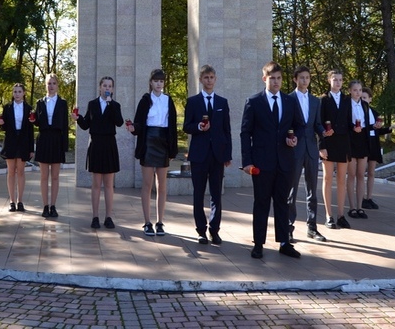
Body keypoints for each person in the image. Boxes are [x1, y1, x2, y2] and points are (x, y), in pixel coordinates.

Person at [240, 61, 304, 259]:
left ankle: (284, 242)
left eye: (279, 78)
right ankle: (258, 243)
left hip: (285, 161)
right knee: (261, 203)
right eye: (272, 78)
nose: (276, 82)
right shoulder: (254, 101)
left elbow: (300, 125)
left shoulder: (290, 101)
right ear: (264, 79)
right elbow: (245, 133)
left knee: (282, 203)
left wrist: (294, 138)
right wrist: (247, 162)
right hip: (261, 162)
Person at [183, 64, 232, 245]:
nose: (209, 81)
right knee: (198, 193)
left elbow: (227, 131)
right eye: (206, 78)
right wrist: (198, 127)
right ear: (201, 80)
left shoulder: (222, 102)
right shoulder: (193, 102)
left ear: (215, 79)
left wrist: (227, 155)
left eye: (212, 77)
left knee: (216, 194)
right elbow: (186, 126)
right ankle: (201, 231)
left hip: (217, 155)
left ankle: (215, 230)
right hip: (199, 155)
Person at [130, 68, 178, 237]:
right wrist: (133, 128)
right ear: (150, 82)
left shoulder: (168, 100)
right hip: (148, 142)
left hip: (163, 142)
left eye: (162, 81)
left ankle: (160, 222)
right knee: (147, 184)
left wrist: (173, 149)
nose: (159, 84)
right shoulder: (145, 99)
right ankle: (147, 222)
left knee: (162, 185)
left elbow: (172, 126)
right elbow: (139, 123)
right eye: (156, 81)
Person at [74, 76, 124, 229]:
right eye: (104, 85)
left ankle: (108, 217)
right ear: (100, 88)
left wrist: (111, 106)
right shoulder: (92, 104)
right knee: (96, 183)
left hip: (109, 145)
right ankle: (95, 217)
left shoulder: (115, 105)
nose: (107, 88)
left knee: (109, 184)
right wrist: (77, 118)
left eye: (110, 86)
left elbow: (119, 122)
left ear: (113, 89)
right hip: (95, 144)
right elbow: (86, 125)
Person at [287, 66, 327, 243]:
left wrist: (325, 133)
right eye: (301, 78)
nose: (305, 80)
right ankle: (288, 227)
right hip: (294, 149)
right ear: (295, 79)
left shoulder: (315, 101)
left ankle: (312, 227)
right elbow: (286, 125)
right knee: (291, 190)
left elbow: (317, 124)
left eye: (307, 78)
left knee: (312, 191)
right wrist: (290, 137)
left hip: (311, 149)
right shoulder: (288, 99)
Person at [33, 73, 70, 218]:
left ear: (57, 85)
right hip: (43, 138)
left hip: (56, 139)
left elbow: (65, 125)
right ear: (45, 85)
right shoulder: (40, 102)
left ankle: (53, 206)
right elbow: (37, 121)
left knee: (55, 176)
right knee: (44, 176)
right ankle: (45, 206)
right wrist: (33, 120)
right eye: (49, 83)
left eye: (54, 83)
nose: (51, 86)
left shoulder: (63, 103)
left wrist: (65, 146)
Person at [319, 70, 351, 229]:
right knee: (327, 178)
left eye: (340, 80)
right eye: (335, 80)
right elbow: (318, 124)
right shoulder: (323, 100)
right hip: (329, 142)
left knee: (341, 180)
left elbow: (350, 121)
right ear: (329, 81)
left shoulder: (347, 99)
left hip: (343, 143)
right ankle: (328, 215)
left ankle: (341, 215)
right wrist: (322, 144)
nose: (338, 82)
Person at [0, 83, 35, 212]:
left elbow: (31, 130)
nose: (17, 94)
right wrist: (1, 124)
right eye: (15, 92)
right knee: (11, 172)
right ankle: (12, 201)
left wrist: (31, 148)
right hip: (10, 141)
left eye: (19, 91)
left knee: (20, 172)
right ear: (13, 93)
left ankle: (20, 201)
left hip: (24, 142)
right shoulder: (7, 107)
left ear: (24, 93)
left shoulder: (29, 108)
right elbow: (4, 127)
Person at [362, 86, 391, 210]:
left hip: (374, 144)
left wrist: (389, 128)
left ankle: (369, 197)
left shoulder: (374, 113)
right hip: (363, 144)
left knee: (371, 173)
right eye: (361, 97)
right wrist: (372, 127)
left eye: (365, 98)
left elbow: (377, 130)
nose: (363, 100)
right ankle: (361, 197)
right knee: (361, 173)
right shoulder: (357, 111)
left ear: (370, 99)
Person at [346, 80, 371, 221]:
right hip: (351, 140)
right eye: (355, 90)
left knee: (361, 174)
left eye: (360, 90)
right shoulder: (346, 104)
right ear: (350, 91)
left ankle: (360, 207)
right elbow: (344, 122)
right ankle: (352, 207)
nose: (358, 93)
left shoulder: (365, 105)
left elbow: (368, 124)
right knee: (351, 174)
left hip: (362, 140)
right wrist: (352, 128)